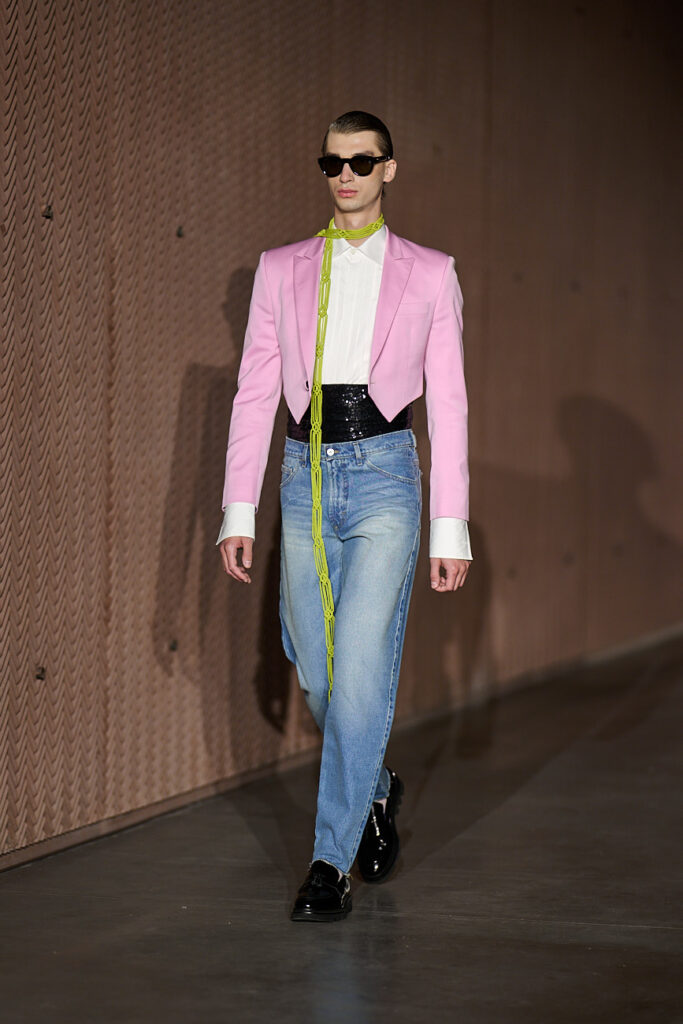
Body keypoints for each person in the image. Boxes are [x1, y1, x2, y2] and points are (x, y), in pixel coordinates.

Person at [216, 111, 472, 922]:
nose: (347, 175)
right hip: (302, 476)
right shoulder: (280, 268)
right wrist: (236, 511)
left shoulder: (430, 272)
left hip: (385, 474)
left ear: (388, 168)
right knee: (318, 670)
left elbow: (450, 403)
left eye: (362, 161)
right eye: (333, 163)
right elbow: (254, 391)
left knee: (359, 669)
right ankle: (377, 784)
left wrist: (451, 526)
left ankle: (329, 863)